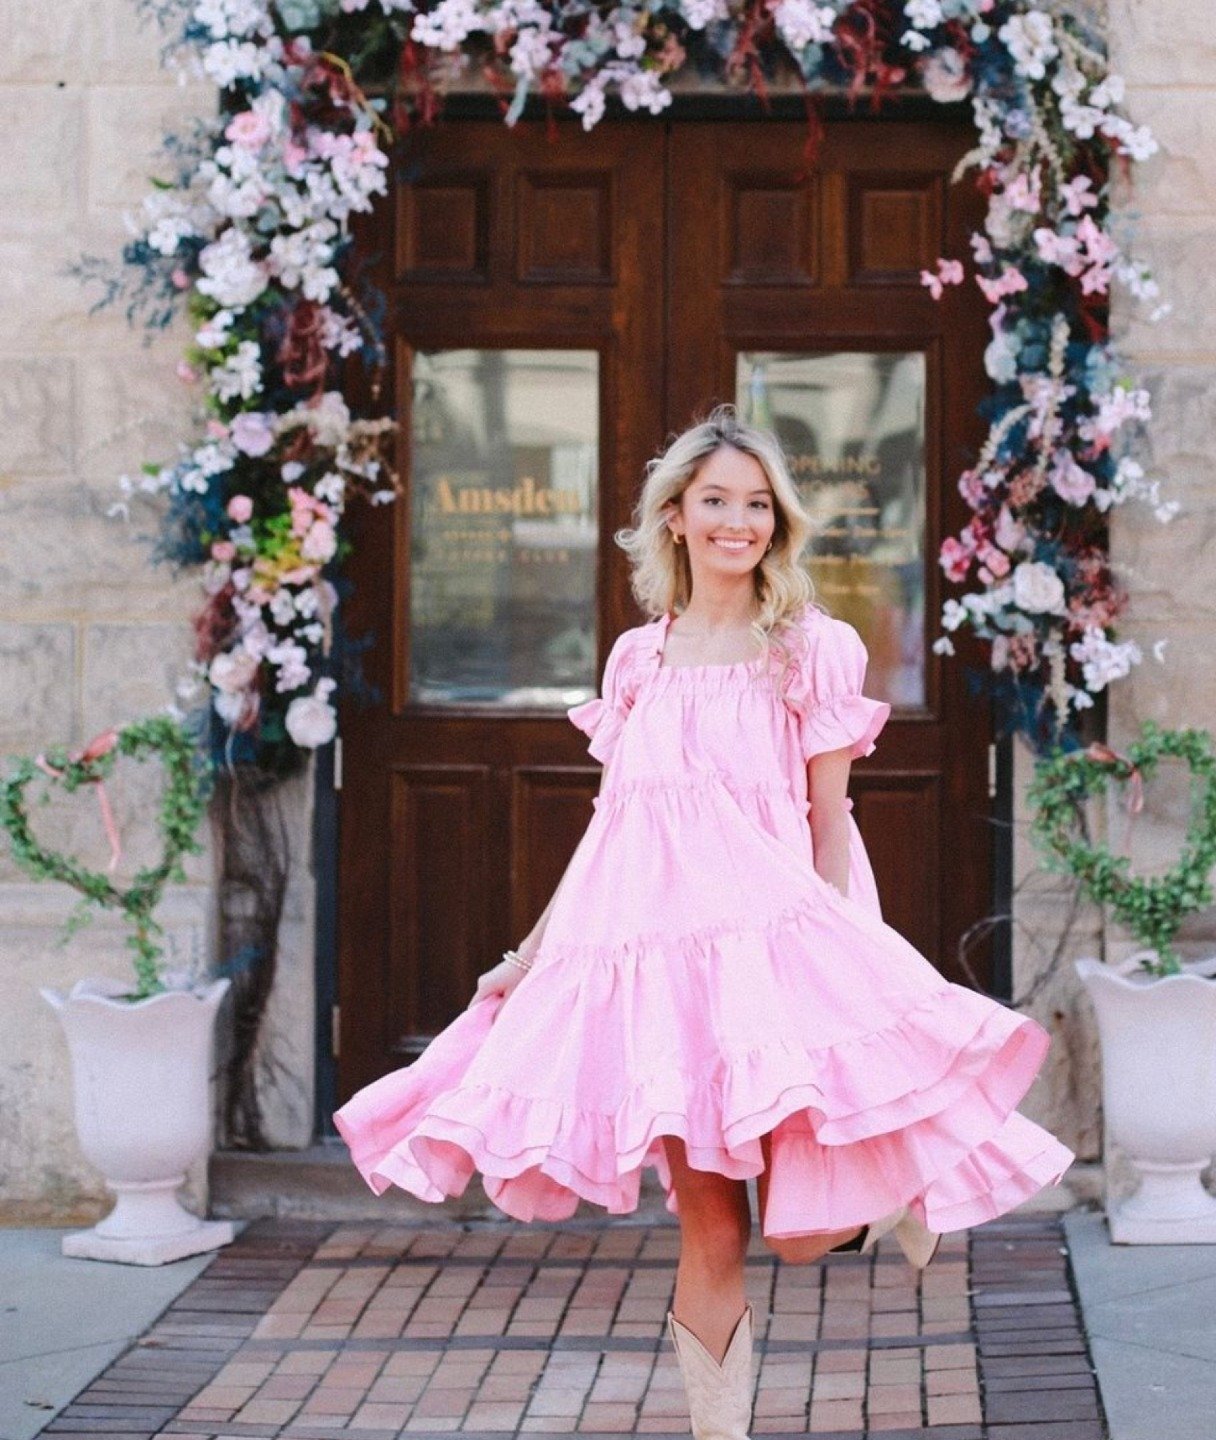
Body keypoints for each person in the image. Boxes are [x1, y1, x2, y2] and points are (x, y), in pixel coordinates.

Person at [334, 405, 1074, 1440]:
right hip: (665, 981)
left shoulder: (812, 649)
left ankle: (897, 1187)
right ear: (674, 517)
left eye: (758, 504)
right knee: (711, 1229)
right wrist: (529, 954)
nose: (740, 521)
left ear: (780, 520)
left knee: (803, 1237)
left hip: (776, 958)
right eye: (716, 501)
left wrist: (847, 966)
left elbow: (828, 823)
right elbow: (613, 831)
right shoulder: (639, 661)